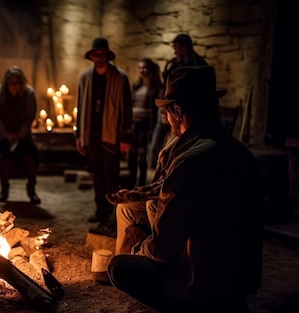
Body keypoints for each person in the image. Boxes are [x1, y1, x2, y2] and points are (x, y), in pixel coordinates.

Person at [106, 66, 263, 313]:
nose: (165, 120)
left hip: (207, 280)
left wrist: (139, 249)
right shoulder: (237, 151)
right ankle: (231, 311)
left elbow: (163, 249)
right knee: (154, 208)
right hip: (240, 278)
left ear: (177, 111)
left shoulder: (190, 161)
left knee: (119, 268)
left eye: (167, 112)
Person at [75, 37, 132, 225]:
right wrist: (79, 135)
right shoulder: (85, 78)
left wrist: (125, 136)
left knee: (111, 175)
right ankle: (100, 211)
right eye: (96, 54)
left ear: (107, 56)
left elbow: (126, 109)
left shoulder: (119, 77)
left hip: (111, 133)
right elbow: (80, 107)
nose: (99, 58)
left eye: (102, 54)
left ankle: (114, 213)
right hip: (91, 133)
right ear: (91, 57)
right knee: (97, 173)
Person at [149, 34, 207, 169]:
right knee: (157, 146)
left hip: (184, 110)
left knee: (180, 147)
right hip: (167, 106)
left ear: (184, 46)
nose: (175, 50)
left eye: (177, 46)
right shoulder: (174, 62)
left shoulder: (196, 63)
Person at [0, 66, 41, 204]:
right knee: (1, 158)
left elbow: (29, 117)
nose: (14, 86)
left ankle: (31, 190)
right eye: (11, 83)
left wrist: (19, 135)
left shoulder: (29, 94)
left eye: (17, 83)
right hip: (4, 135)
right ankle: (4, 189)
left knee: (31, 158)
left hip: (23, 136)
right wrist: (6, 133)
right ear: (6, 83)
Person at [126, 58, 163, 187]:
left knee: (142, 157)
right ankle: (131, 181)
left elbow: (157, 108)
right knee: (131, 156)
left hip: (145, 125)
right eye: (140, 67)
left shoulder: (155, 88)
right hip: (134, 125)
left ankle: (141, 183)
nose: (142, 70)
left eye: (145, 67)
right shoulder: (136, 86)